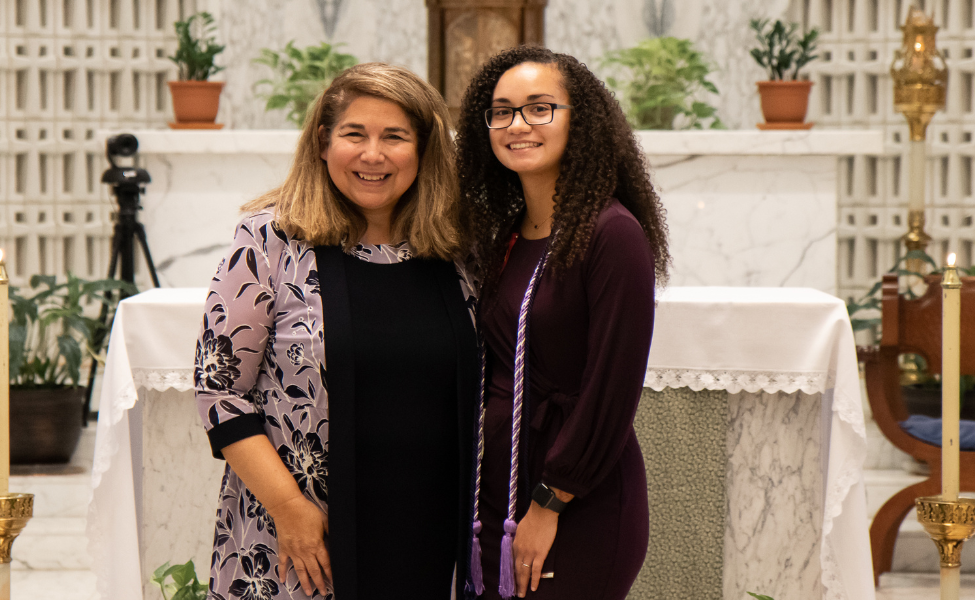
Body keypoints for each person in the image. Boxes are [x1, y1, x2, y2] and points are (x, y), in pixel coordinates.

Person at [193, 62, 479, 600]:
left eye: (395, 137)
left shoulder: (458, 247)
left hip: (432, 532)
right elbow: (219, 390)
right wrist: (290, 510)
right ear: (323, 142)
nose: (373, 155)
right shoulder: (270, 239)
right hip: (305, 535)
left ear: (423, 149)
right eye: (355, 134)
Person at [456, 46, 670, 600]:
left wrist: (551, 502)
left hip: (577, 496)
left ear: (582, 120)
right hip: (497, 494)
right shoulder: (503, 236)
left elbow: (611, 388)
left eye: (539, 108)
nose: (517, 124)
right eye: (501, 111)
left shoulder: (612, 234)